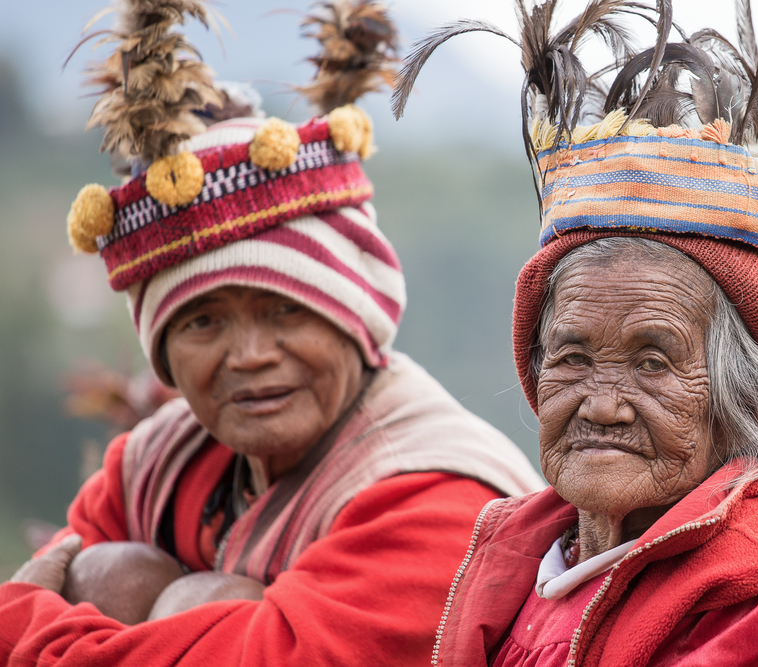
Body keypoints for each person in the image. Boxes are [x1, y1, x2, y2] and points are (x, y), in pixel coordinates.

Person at [391, 0, 758, 664]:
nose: (602, 404)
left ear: (743, 398)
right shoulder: (524, 552)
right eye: (573, 357)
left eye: (653, 363)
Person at [0, 1, 542, 665]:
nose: (250, 356)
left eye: (286, 310)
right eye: (203, 321)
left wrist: (24, 624)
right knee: (115, 572)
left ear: (355, 312)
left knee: (199, 602)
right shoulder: (157, 466)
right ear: (162, 348)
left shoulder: (441, 499)